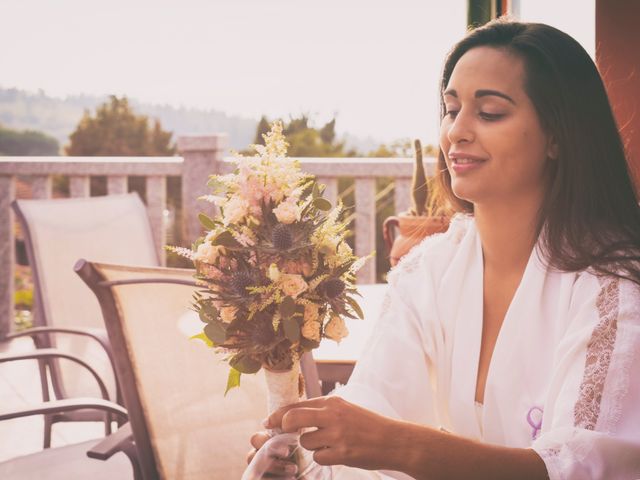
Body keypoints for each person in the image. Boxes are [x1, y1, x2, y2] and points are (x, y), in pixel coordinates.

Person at [248, 19, 640, 480]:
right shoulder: (431, 270)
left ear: (558, 135)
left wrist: (398, 444)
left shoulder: (614, 288)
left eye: (490, 112)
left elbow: (582, 468)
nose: (457, 132)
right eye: (451, 110)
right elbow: (371, 412)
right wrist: (308, 462)